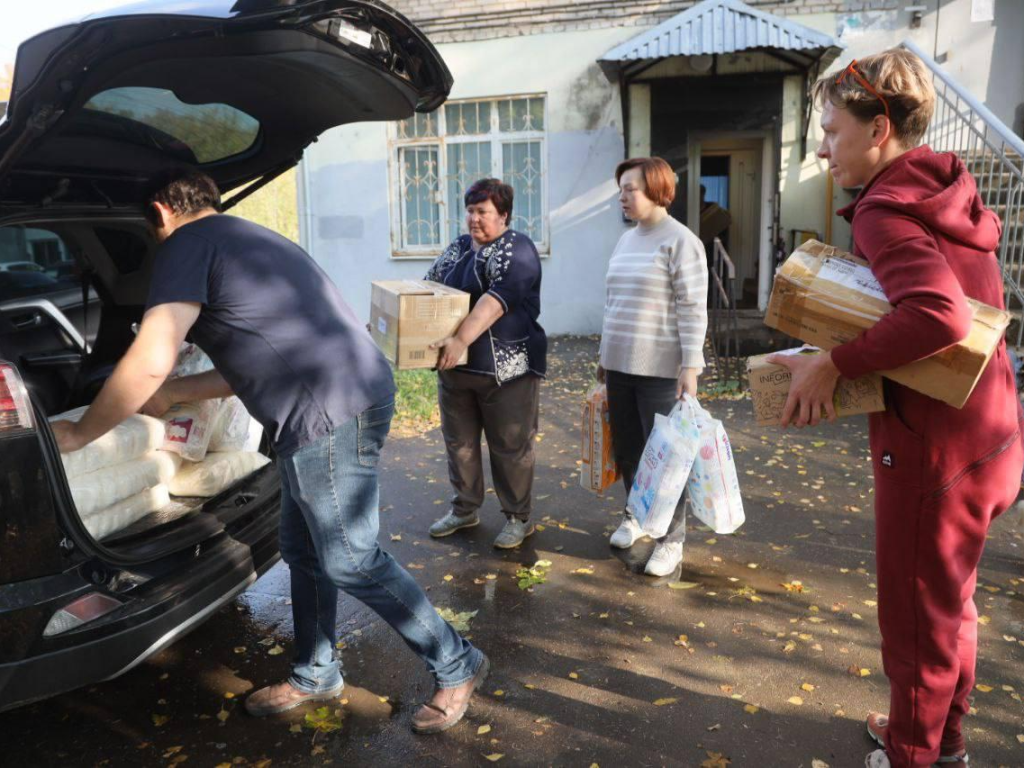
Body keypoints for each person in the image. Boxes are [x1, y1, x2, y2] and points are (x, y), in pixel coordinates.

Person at [50, 169, 488, 734]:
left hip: (329, 412)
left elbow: (151, 356)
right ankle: (315, 673)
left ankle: (456, 660)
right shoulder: (248, 238)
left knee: (349, 558)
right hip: (350, 393)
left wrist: (82, 432)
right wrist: (178, 394)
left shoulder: (186, 243)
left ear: (160, 212)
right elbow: (258, 349)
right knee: (303, 550)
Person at [770, 50, 1023, 768]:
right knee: (951, 606)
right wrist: (824, 355)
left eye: (831, 130)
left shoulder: (884, 208)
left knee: (916, 618)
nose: (824, 147)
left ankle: (913, 752)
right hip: (993, 436)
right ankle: (945, 739)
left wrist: (833, 364)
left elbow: (938, 316)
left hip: (936, 450)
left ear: (879, 126)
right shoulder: (943, 186)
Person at [597, 157, 709, 577]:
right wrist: (604, 359)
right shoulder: (626, 241)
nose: (623, 197)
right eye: (621, 188)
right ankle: (636, 517)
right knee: (628, 450)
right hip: (621, 365)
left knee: (665, 458)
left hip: (662, 369)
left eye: (632, 189)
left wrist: (691, 366)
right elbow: (613, 305)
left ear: (658, 190)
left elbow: (693, 307)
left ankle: (671, 539)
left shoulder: (681, 241)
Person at [424, 178, 546, 550]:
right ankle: (465, 508)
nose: (475, 219)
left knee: (509, 445)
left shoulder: (517, 249)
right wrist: (397, 322)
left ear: (504, 214)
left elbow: (495, 301)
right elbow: (428, 288)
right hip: (456, 367)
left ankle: (518, 517)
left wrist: (461, 338)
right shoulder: (459, 247)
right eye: (471, 211)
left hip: (505, 369)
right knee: (459, 443)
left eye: (483, 212)